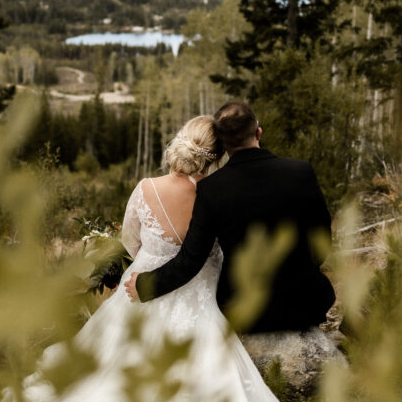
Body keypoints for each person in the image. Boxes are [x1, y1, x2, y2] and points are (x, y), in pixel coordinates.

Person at [0, 115, 313, 402]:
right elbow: (221, 250)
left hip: (138, 293)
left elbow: (130, 241)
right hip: (200, 303)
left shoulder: (146, 190)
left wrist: (151, 258)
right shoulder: (217, 194)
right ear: (217, 155)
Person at [124, 101, 336, 335]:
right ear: (258, 132)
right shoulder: (301, 171)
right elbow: (322, 241)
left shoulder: (212, 189)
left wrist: (145, 285)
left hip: (246, 313)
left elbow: (191, 260)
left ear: (223, 148)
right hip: (306, 304)